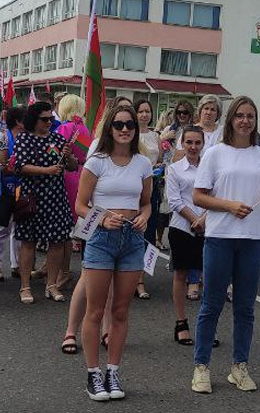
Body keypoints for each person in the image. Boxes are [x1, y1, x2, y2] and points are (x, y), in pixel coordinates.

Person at [189, 96, 260, 394]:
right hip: (219, 237)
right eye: (239, 115)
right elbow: (198, 196)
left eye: (250, 116)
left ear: (255, 121)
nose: (245, 120)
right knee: (211, 305)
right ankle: (201, 367)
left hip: (252, 239)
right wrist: (228, 205)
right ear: (230, 120)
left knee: (245, 307)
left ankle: (239, 366)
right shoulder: (215, 153)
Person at [74, 105, 154, 401]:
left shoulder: (143, 163)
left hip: (132, 239)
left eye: (129, 124)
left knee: (121, 310)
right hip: (100, 238)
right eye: (118, 124)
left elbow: (146, 202)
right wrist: (102, 218)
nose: (124, 129)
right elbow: (80, 205)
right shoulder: (96, 162)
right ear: (109, 128)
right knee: (95, 310)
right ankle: (93, 373)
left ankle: (113, 370)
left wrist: (145, 215)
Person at [13, 101, 77, 304]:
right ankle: (25, 286)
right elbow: (21, 166)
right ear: (34, 119)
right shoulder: (24, 138)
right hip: (32, 196)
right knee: (28, 241)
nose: (49, 122)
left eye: (51, 118)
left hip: (56, 197)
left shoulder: (58, 139)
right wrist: (46, 171)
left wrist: (69, 157)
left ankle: (52, 284)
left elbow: (73, 166)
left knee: (57, 241)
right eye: (44, 119)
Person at [166, 126, 209, 346]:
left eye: (197, 143)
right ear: (182, 143)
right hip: (182, 228)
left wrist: (204, 219)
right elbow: (174, 201)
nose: (193, 147)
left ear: (203, 144)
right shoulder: (174, 169)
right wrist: (194, 219)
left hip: (208, 227)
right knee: (181, 275)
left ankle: (207, 327)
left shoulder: (210, 169)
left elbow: (217, 195)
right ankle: (181, 322)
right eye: (189, 142)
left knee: (208, 277)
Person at [53, 94, 91, 293]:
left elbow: (56, 155)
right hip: (82, 174)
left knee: (63, 227)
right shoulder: (84, 129)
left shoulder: (63, 128)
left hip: (65, 176)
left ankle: (62, 270)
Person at [0, 106, 25, 283]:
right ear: (18, 121)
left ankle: (17, 264)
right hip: (2, 186)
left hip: (21, 187)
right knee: (1, 227)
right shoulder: (2, 137)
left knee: (19, 226)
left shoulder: (27, 138)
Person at [135, 99, 163, 300]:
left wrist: (159, 168)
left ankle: (142, 279)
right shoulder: (130, 134)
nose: (145, 115)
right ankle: (130, 278)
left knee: (149, 232)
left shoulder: (156, 136)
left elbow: (161, 159)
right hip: (133, 188)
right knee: (133, 231)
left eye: (147, 111)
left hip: (152, 186)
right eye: (141, 111)